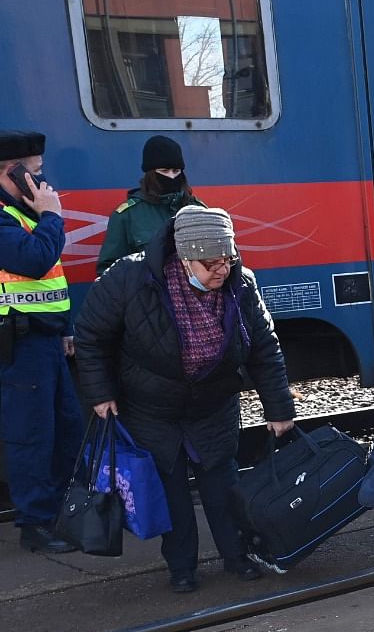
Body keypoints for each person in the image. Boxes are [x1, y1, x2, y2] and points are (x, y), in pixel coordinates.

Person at [75, 206, 296, 591]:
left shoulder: (242, 284)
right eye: (209, 263)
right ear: (183, 256)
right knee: (171, 490)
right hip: (152, 409)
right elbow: (91, 337)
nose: (220, 271)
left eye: (226, 260)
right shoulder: (129, 279)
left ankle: (238, 556)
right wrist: (101, 393)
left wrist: (277, 406)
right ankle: (182, 568)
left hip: (213, 406)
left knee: (224, 487)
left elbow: (264, 348)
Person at [0, 129, 82, 554]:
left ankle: (64, 512)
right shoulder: (6, 217)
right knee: (31, 435)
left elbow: (53, 281)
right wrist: (52, 215)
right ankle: (35, 523)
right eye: (34, 173)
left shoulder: (24, 214)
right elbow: (33, 262)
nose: (43, 183)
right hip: (19, 346)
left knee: (67, 429)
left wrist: (65, 327)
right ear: (10, 172)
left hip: (47, 341)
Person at [97, 136, 204, 275]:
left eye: (176, 171)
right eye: (164, 171)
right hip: (148, 294)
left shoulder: (198, 210)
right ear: (151, 174)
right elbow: (109, 270)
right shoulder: (127, 215)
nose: (171, 176)